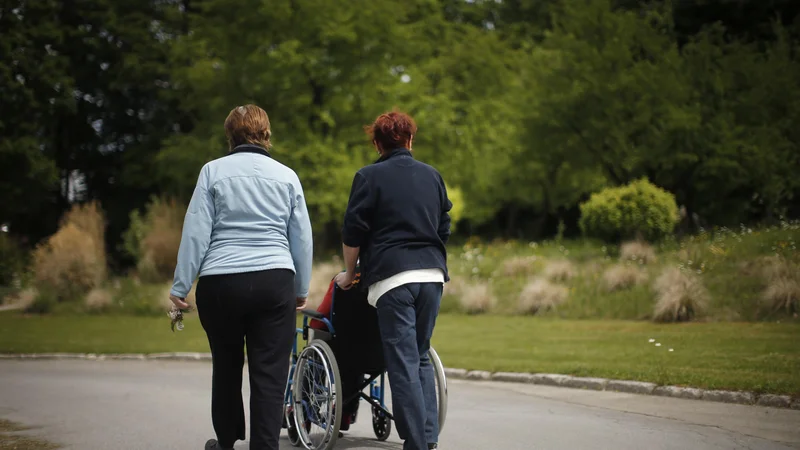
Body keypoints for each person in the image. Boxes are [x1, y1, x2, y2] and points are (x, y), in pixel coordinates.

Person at [169, 104, 313, 450]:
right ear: (266, 134)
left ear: (230, 136)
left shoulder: (212, 173)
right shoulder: (287, 176)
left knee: (227, 365)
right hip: (273, 281)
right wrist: (301, 288)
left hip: (221, 284)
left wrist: (180, 287)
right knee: (270, 373)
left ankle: (227, 441)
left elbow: (196, 233)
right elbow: (302, 237)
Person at [335, 111, 451, 450]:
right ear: (410, 140)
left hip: (392, 278)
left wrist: (350, 272)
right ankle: (427, 440)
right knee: (420, 355)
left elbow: (353, 232)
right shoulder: (432, 176)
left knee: (401, 362)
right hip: (431, 275)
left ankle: (418, 445)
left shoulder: (368, 177)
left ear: (377, 143)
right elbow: (444, 225)